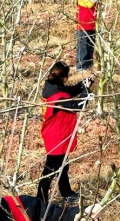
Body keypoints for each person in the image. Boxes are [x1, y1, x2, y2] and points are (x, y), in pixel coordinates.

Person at [39, 61, 91, 203]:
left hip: (56, 134)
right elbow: (75, 105)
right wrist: (86, 94)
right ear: (63, 78)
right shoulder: (56, 98)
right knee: (50, 170)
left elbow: (69, 92)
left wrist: (84, 84)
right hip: (55, 137)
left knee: (62, 166)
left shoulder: (53, 88)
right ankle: (40, 198)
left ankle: (66, 193)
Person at [76, 0, 99, 71]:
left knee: (90, 46)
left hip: (93, 24)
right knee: (83, 47)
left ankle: (88, 66)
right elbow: (89, 4)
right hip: (83, 25)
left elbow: (100, 1)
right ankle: (81, 67)